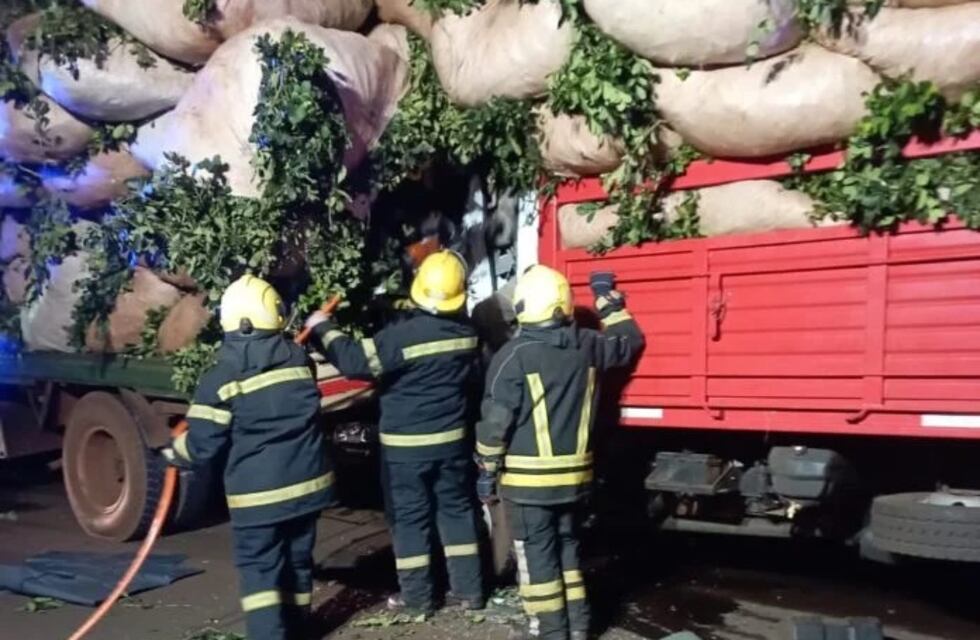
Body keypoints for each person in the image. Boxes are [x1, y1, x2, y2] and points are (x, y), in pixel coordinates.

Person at [305, 249, 485, 617]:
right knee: (457, 513)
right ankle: (470, 593)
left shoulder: (400, 338)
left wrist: (324, 326)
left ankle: (418, 599)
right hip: (451, 445)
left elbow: (355, 361)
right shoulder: (467, 334)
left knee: (410, 520)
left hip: (406, 450)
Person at [474, 266, 645, 640]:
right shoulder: (587, 345)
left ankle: (550, 632)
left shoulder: (512, 356)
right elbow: (630, 339)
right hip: (574, 482)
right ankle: (579, 627)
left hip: (527, 485)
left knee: (537, 562)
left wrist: (486, 470)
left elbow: (494, 427)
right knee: (568, 553)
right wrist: (605, 298)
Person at [162, 275, 334, 640]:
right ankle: (299, 631)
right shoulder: (300, 358)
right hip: (307, 488)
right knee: (298, 563)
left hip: (258, 499)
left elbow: (203, 445)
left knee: (261, 573)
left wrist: (173, 453)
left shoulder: (221, 376)